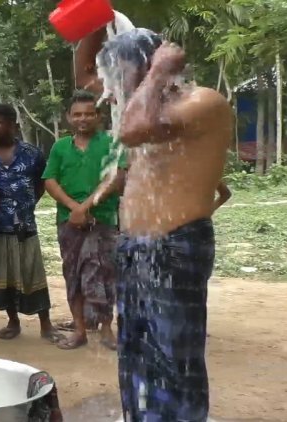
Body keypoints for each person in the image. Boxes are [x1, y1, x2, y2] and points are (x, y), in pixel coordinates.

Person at [76, 29, 232, 421]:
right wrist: (95, 21)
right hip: (135, 247)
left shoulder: (202, 102)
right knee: (137, 351)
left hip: (175, 244)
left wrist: (158, 72)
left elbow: (132, 130)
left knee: (173, 356)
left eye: (120, 75)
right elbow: (83, 76)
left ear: (152, 69)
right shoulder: (141, 103)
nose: (112, 88)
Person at [43, 90, 126, 352]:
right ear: (69, 117)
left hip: (103, 220)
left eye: (89, 114)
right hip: (68, 222)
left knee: (106, 274)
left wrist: (87, 206)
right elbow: (50, 180)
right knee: (73, 274)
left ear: (98, 116)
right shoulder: (59, 147)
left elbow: (116, 179)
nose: (83, 119)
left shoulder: (112, 144)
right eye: (77, 114)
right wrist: (73, 208)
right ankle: (80, 330)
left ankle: (106, 328)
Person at [0, 104, 63, 344]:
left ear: (12, 126)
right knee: (5, 278)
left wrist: (27, 206)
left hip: (25, 227)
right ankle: (13, 321)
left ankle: (46, 325)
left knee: (32, 274)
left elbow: (41, 183)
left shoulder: (32, 153)